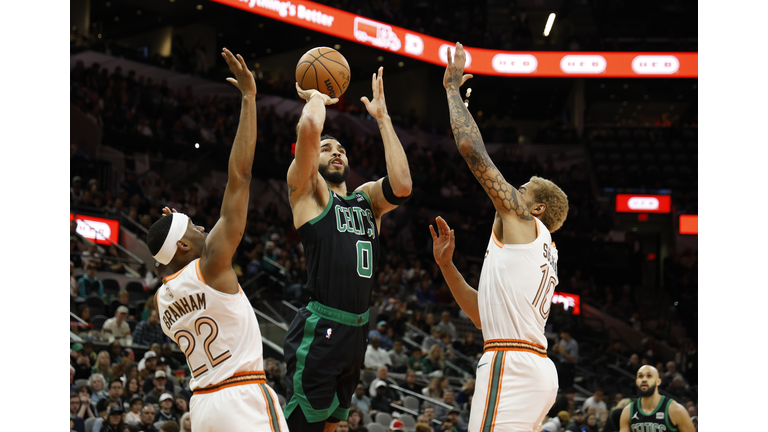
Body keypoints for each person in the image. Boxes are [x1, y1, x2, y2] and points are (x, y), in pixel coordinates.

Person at [146, 48, 287, 432]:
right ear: (185, 248)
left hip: (203, 407)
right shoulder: (212, 266)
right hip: (242, 397)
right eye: (195, 227)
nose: (204, 228)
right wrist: (248, 99)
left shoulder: (162, 300)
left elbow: (169, 255)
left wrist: (176, 228)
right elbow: (239, 177)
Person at [434, 42, 569, 432]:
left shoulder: (525, 222)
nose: (513, 190)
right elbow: (481, 314)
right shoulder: (535, 249)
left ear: (536, 209)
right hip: (530, 363)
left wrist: (452, 91)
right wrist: (447, 266)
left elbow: (469, 148)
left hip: (512, 363)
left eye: (522, 188)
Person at [283, 65, 412, 432]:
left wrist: (384, 120)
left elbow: (402, 186)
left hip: (357, 331)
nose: (336, 153)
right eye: (327, 149)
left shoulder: (365, 199)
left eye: (341, 149)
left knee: (335, 428)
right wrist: (317, 99)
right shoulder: (308, 192)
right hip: (321, 325)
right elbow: (309, 129)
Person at [619, 365, 695, 432]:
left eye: (649, 376)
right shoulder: (628, 411)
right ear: (636, 382)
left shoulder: (676, 410)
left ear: (658, 382)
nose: (644, 379)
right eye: (640, 376)